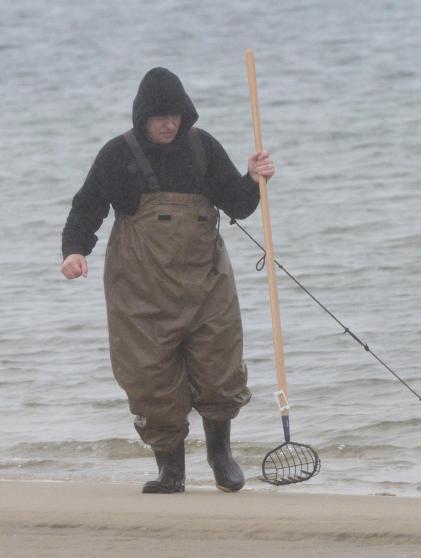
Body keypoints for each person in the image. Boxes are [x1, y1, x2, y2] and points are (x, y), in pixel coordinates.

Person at [61, 67, 275, 494]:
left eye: (174, 115)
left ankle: (220, 456)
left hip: (206, 283)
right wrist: (75, 251)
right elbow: (87, 206)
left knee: (220, 367)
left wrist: (253, 179)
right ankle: (170, 470)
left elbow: (237, 204)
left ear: (185, 115)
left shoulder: (202, 147)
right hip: (139, 288)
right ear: (142, 117)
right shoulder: (117, 154)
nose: (167, 124)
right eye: (159, 117)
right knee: (149, 375)